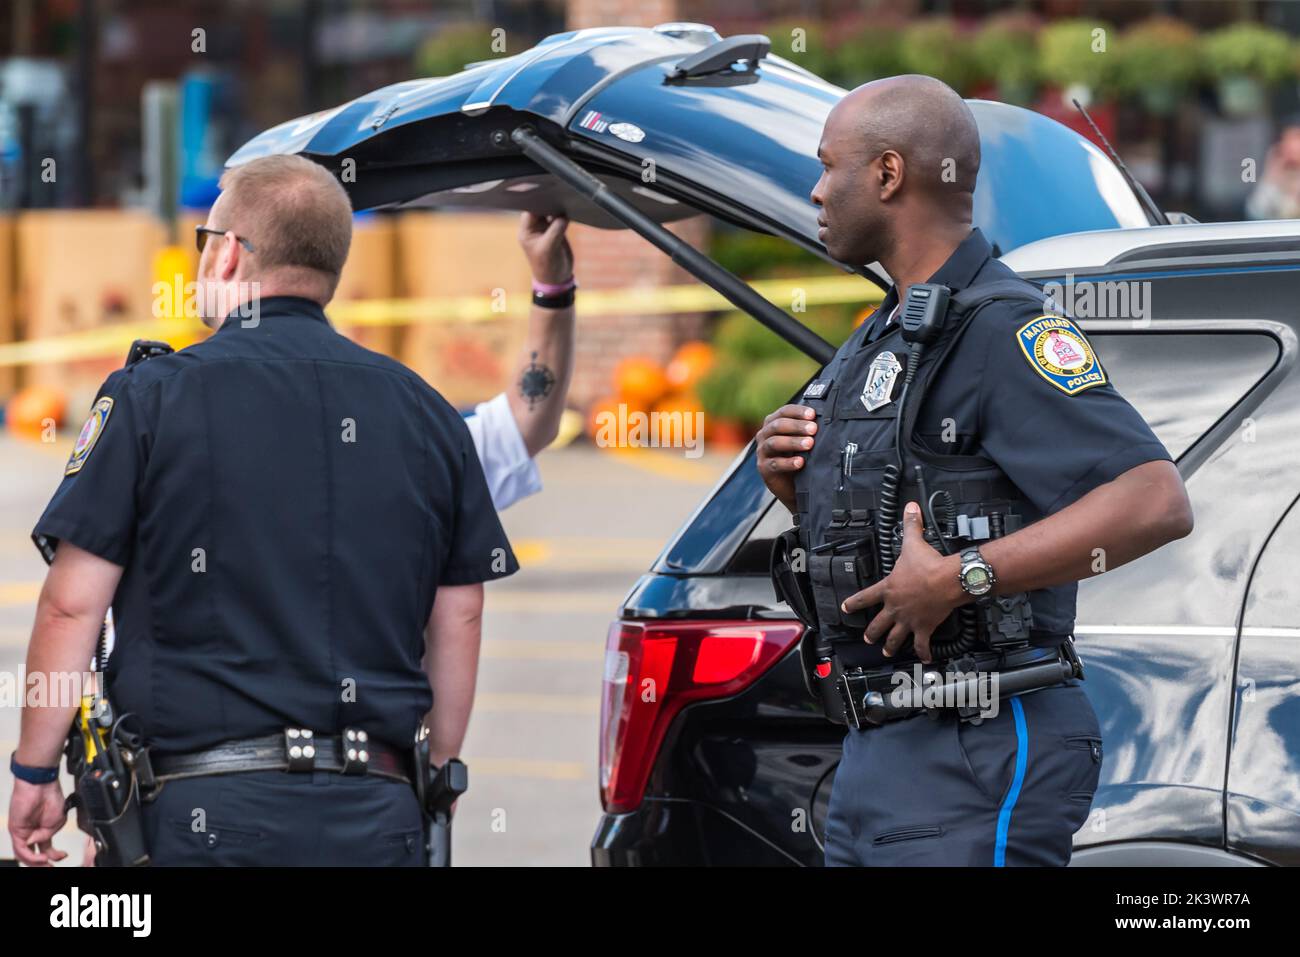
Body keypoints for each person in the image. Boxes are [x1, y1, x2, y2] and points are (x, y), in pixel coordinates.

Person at [7, 153, 517, 866]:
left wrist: (33, 772)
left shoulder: (149, 397)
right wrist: (438, 771)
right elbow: (459, 613)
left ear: (227, 256)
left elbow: (71, 608)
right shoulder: (428, 414)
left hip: (201, 820)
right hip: (377, 813)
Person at [756, 75, 1194, 866]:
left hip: (978, 748)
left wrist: (965, 577)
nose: (816, 191)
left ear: (888, 174)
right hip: (875, 753)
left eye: (828, 167)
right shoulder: (886, 333)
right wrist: (799, 482)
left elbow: (1154, 498)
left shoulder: (1003, 328)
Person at [465, 210, 577, 511]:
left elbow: (518, 427)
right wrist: (552, 287)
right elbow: (520, 428)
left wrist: (551, 286)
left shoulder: (391, 450)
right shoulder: (398, 450)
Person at [1244, 114, 1300, 221]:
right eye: (1286, 139)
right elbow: (1256, 212)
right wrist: (1271, 176)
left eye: (1297, 138)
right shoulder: (1278, 175)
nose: (1291, 145)